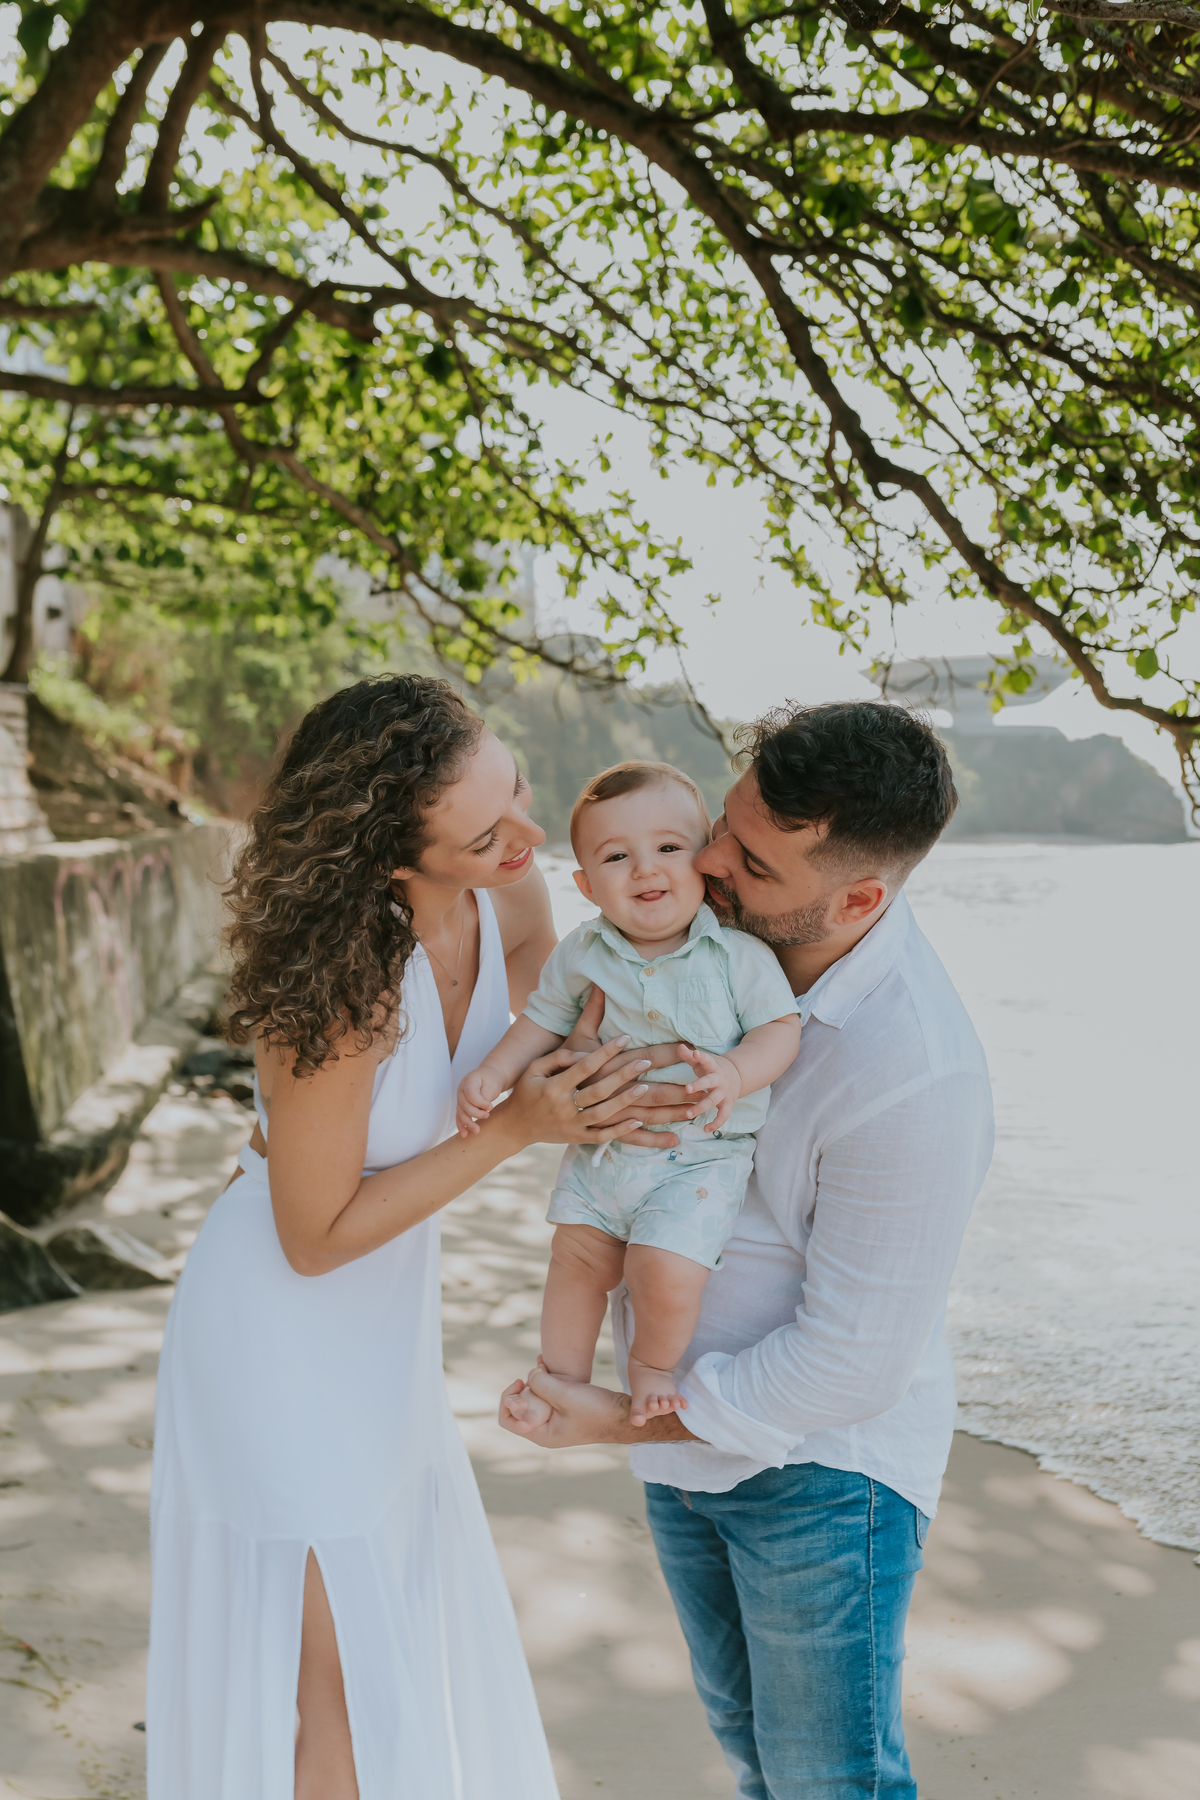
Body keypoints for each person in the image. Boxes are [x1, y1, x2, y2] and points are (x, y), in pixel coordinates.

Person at [146, 675, 680, 1800]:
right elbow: (314, 1235)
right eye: (489, 833)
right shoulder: (341, 988)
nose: (528, 839)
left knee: (387, 1625)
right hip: (279, 1328)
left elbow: (552, 1046)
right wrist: (520, 1131)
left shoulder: (514, 899)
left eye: (521, 796)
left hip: (386, 1328)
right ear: (393, 853)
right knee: (324, 1690)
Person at [500, 700, 996, 1800]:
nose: (709, 864)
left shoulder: (915, 1075)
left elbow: (854, 1360)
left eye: (753, 862)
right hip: (685, 1448)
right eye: (722, 825)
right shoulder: (699, 950)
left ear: (858, 899)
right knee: (754, 1763)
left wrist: (632, 1413)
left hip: (824, 1477)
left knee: (829, 1785)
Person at [456, 760, 800, 1427]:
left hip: (697, 1159)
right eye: (617, 857)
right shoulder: (582, 954)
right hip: (603, 1157)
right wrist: (493, 1076)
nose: (646, 869)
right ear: (585, 885)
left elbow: (779, 1032)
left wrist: (735, 1073)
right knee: (575, 1261)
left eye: (669, 848)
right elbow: (541, 1023)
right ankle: (559, 1379)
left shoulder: (737, 957)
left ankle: (649, 1368)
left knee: (664, 1270)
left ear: (705, 862)